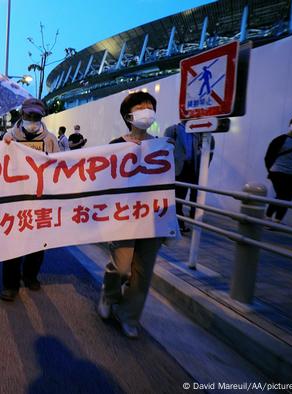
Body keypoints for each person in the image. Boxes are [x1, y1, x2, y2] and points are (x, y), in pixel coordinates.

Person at [97, 91, 164, 339]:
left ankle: (130, 316)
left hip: (152, 218)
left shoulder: (160, 146)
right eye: (141, 106)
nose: (147, 110)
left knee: (143, 273)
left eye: (150, 106)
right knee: (122, 267)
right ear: (129, 114)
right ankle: (109, 293)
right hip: (123, 217)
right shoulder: (115, 146)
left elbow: (168, 182)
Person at [0, 98, 60, 302]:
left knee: (37, 243)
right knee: (12, 243)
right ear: (21, 115)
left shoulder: (51, 140)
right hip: (14, 200)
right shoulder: (8, 137)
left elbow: (58, 168)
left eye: (36, 117)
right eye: (29, 116)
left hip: (40, 199)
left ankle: (30, 275)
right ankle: (10, 284)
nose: (32, 120)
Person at [164, 120, 215, 234]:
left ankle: (194, 218)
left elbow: (210, 149)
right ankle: (179, 223)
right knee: (178, 197)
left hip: (195, 168)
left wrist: (205, 166)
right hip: (179, 169)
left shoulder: (198, 131)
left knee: (196, 196)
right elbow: (165, 150)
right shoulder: (173, 130)